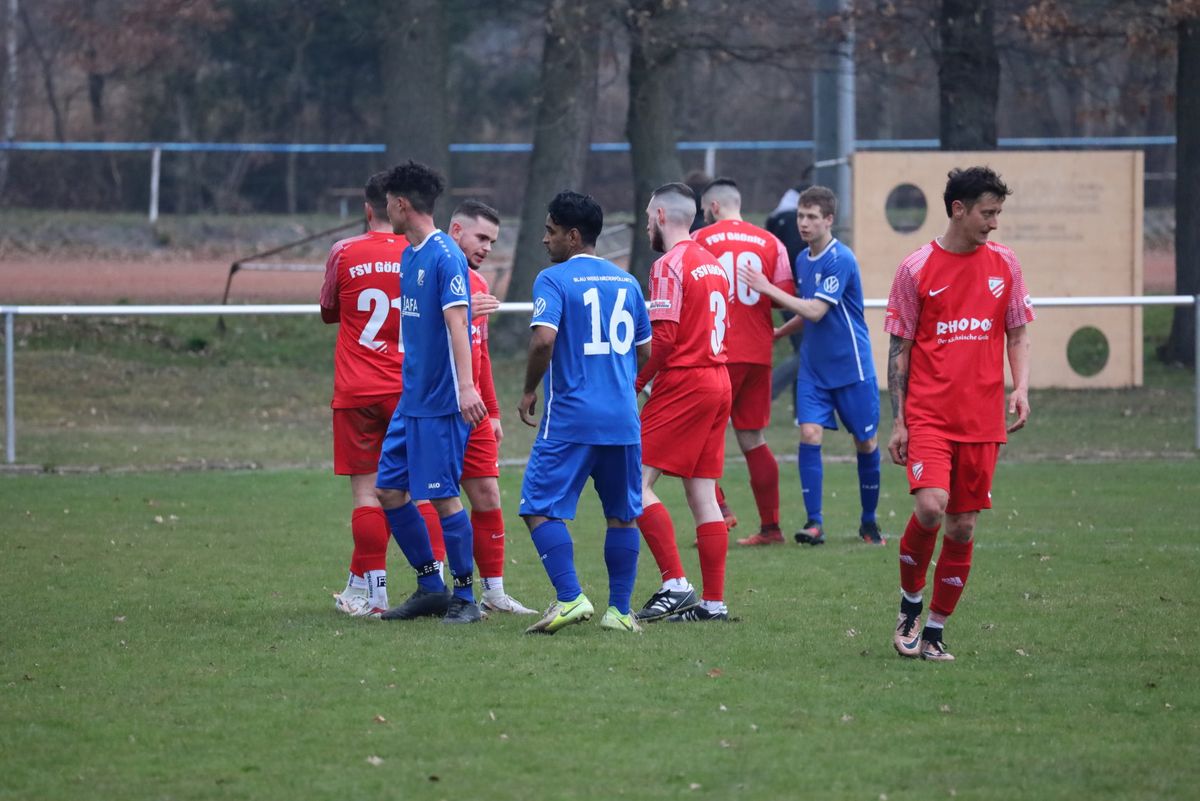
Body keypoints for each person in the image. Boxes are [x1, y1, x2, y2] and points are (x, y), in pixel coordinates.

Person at [884, 166, 1033, 662]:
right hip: (929, 415)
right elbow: (899, 350)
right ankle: (910, 605)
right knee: (931, 506)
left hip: (982, 419)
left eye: (998, 213)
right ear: (958, 210)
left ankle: (935, 631)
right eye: (987, 213)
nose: (994, 223)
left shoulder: (1005, 264)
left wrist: (1021, 387)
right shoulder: (916, 268)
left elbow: (1017, 332)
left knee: (962, 527)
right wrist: (899, 421)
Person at [517, 190, 652, 635]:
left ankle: (571, 596)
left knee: (537, 505)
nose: (545, 240)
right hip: (623, 419)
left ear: (573, 236)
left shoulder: (553, 279)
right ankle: (620, 612)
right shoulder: (628, 282)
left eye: (551, 231)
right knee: (623, 513)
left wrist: (529, 389)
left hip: (572, 418)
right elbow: (645, 350)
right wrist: (618, 381)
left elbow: (543, 340)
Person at [374, 160, 488, 625]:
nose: (386, 211)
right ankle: (430, 586)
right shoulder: (410, 256)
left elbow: (458, 323)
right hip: (412, 399)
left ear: (402, 204)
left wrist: (466, 387)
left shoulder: (445, 255)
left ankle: (466, 597)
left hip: (441, 402)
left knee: (443, 498)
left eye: (388, 204)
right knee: (388, 490)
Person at [746, 186, 885, 547]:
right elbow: (807, 311)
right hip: (815, 369)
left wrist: (766, 288)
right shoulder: (803, 259)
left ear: (829, 220)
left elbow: (817, 310)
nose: (804, 223)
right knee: (809, 434)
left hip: (851, 368)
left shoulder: (841, 258)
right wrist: (781, 332)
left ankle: (869, 522)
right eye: (800, 216)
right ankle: (814, 523)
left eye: (811, 217)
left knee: (866, 441)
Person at [417, 200, 535, 616]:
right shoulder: (430, 271)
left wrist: (495, 411)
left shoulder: (479, 283)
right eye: (481, 237)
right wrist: (464, 310)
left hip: (476, 410)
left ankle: (494, 592)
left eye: (492, 241)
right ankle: (437, 586)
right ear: (456, 230)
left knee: (487, 495)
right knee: (437, 496)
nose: (487, 247)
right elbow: (421, 337)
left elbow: (479, 354)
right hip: (437, 407)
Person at [634, 182, 734, 623]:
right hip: (718, 379)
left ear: (660, 216)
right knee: (702, 492)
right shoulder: (713, 264)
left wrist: (636, 382)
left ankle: (675, 584)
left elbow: (665, 339)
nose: (646, 227)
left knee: (633, 482)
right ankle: (713, 604)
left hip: (686, 381)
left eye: (646, 218)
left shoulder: (668, 264)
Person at [320, 170, 409, 618]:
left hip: (357, 389)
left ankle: (375, 597)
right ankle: (430, 585)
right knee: (412, 493)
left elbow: (328, 310)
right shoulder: (420, 252)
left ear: (367, 208)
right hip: (408, 390)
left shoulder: (345, 250)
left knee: (367, 495)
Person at [693, 177, 794, 546]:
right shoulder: (771, 241)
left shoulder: (699, 240)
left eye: (704, 210)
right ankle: (771, 527)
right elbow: (784, 296)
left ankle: (718, 513)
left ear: (713, 207)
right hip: (758, 353)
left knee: (700, 437)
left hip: (717, 352)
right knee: (753, 437)